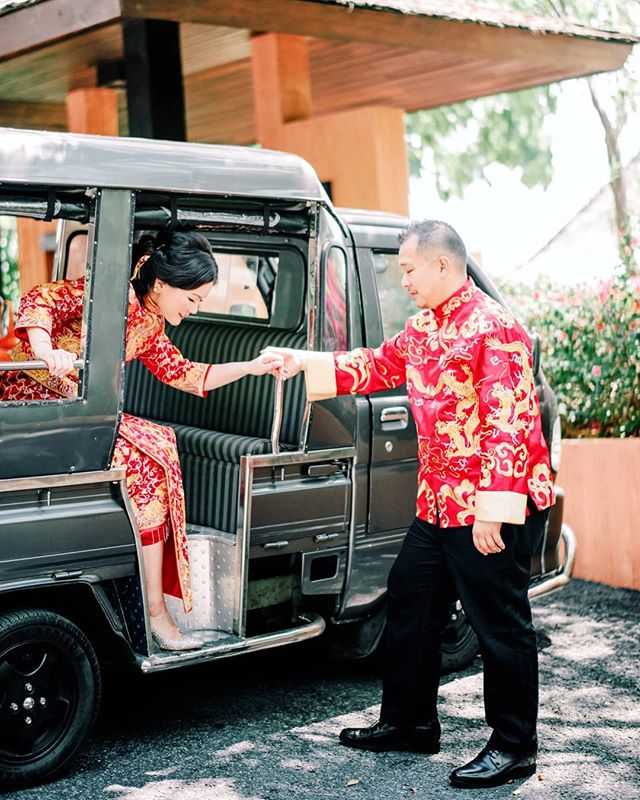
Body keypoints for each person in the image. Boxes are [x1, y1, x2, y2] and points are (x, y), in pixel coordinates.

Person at [265, 220, 554, 789]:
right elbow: (376, 366)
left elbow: (508, 425)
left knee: (501, 625)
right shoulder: (424, 328)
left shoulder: (494, 329)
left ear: (443, 266)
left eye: (408, 270)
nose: (404, 281)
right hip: (440, 502)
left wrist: (494, 509)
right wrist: (304, 363)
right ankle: (410, 721)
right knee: (410, 599)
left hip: (492, 505)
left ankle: (515, 745)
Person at [0, 230, 284, 651]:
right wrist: (46, 349)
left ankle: (155, 605)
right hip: (28, 399)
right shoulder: (108, 296)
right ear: (163, 284)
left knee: (159, 443)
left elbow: (186, 375)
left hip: (77, 414)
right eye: (193, 299)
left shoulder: (149, 322)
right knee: (152, 456)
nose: (194, 310)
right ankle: (155, 611)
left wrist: (252, 367)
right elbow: (41, 298)